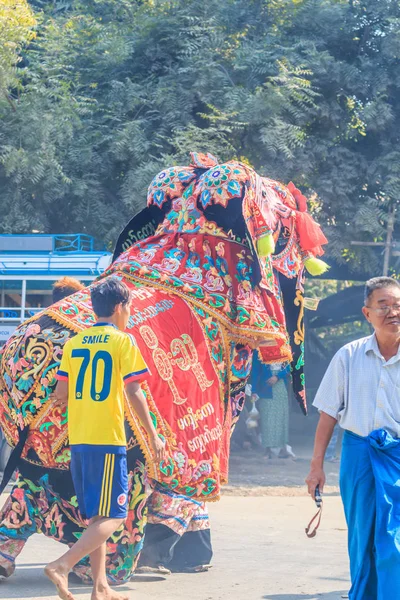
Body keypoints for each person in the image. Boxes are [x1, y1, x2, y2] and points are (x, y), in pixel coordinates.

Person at [44, 277, 166, 600]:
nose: (129, 314)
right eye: (129, 308)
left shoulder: (75, 343)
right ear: (118, 308)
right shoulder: (122, 342)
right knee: (116, 514)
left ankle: (101, 588)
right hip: (107, 440)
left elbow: (60, 393)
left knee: (98, 515)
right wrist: (153, 435)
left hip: (80, 440)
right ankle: (63, 565)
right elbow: (135, 391)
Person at [306, 276, 400, 600]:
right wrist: (316, 467)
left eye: (398, 305)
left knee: (395, 542)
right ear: (367, 313)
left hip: (399, 460)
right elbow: (328, 415)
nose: (393, 312)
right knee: (363, 540)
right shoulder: (348, 356)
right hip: (358, 457)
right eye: (384, 306)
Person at [250, 353, 293, 458]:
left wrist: (277, 377)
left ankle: (283, 449)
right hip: (265, 387)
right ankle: (267, 449)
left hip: (280, 387)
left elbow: (288, 366)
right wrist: (254, 390)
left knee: (282, 417)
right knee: (267, 418)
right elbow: (255, 371)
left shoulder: (283, 347)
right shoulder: (259, 350)